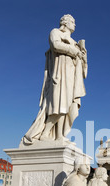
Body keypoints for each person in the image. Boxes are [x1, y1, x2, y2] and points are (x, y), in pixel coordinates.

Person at [22, 14, 87, 144]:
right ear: (65, 23)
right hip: (59, 74)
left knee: (68, 106)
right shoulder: (55, 32)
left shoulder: (75, 42)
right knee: (58, 104)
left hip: (71, 76)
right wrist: (74, 52)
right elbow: (56, 46)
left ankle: (59, 136)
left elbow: (83, 68)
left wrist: (83, 55)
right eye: (73, 22)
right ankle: (45, 133)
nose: (74, 24)